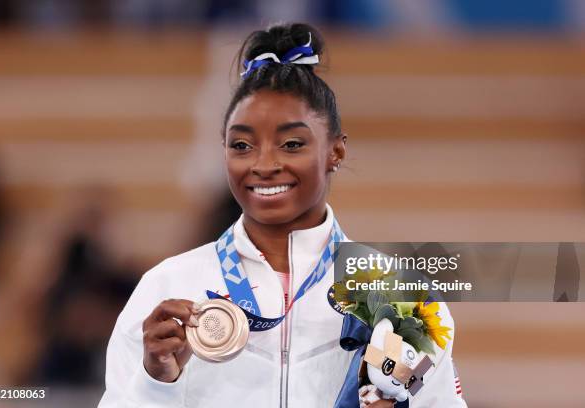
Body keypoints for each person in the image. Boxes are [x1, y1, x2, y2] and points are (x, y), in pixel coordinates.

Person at [98, 23, 465, 408]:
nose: (264, 164)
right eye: (242, 145)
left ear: (335, 152)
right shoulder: (169, 286)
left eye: (292, 144)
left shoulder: (400, 296)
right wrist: (157, 384)